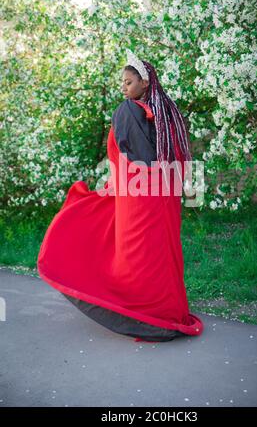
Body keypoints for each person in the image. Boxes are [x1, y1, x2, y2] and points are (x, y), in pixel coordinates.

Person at [37, 49, 204, 343]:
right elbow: (159, 160)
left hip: (140, 201)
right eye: (122, 82)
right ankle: (166, 315)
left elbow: (139, 160)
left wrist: (119, 181)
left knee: (138, 256)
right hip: (162, 198)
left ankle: (150, 319)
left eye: (128, 82)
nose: (123, 88)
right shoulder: (165, 113)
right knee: (160, 254)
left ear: (145, 82)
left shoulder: (129, 111)